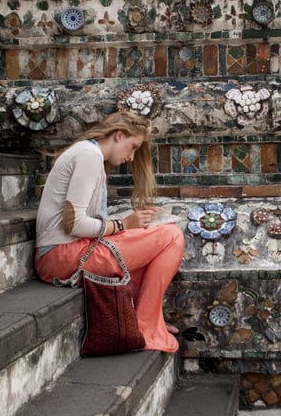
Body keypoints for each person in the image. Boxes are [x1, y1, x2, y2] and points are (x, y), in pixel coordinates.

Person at [34, 111, 182, 353]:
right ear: (119, 135)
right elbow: (74, 224)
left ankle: (149, 321)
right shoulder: (88, 156)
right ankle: (144, 328)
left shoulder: (89, 155)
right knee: (172, 237)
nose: (132, 157)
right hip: (62, 256)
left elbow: (85, 223)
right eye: (132, 147)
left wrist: (132, 223)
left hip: (64, 253)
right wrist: (125, 225)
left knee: (158, 237)